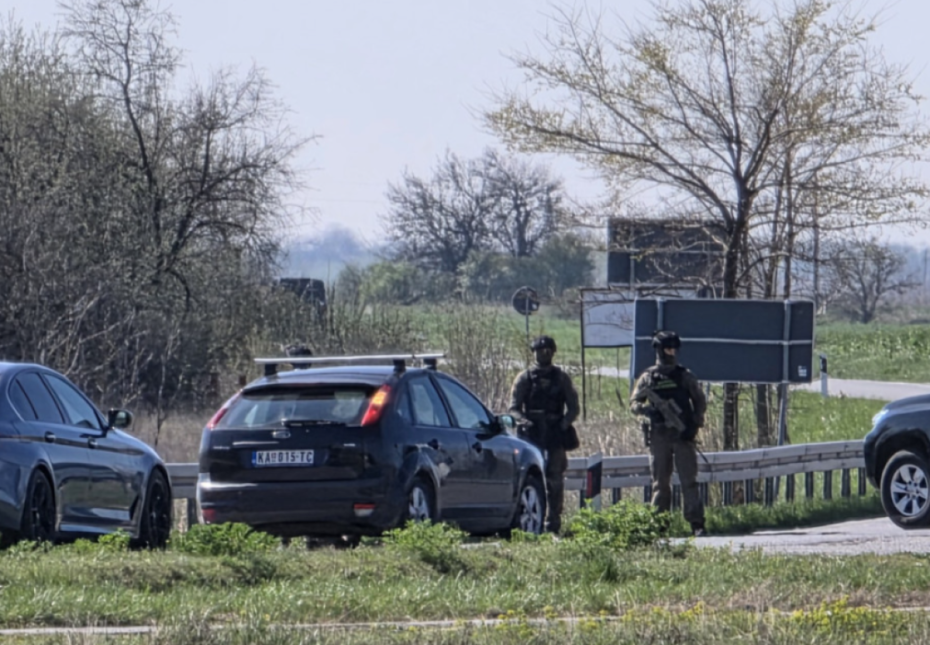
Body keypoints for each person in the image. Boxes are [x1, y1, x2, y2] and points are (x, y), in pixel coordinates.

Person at [630, 330, 708, 536]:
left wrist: (694, 425)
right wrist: (648, 411)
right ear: (659, 350)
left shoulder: (684, 376)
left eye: (674, 349)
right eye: (668, 349)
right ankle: (658, 524)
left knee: (689, 481)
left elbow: (700, 401)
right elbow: (634, 403)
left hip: (682, 436)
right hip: (659, 436)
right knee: (660, 483)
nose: (672, 352)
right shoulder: (648, 377)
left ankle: (696, 523)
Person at [508, 335, 580, 534]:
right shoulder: (524, 378)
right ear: (534, 353)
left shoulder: (561, 378)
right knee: (530, 477)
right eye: (540, 351)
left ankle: (553, 523)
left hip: (555, 434)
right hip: (532, 435)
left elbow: (574, 408)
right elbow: (513, 408)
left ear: (553, 353)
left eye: (548, 351)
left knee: (555, 480)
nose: (544, 354)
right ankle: (529, 523)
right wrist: (525, 422)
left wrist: (563, 424)